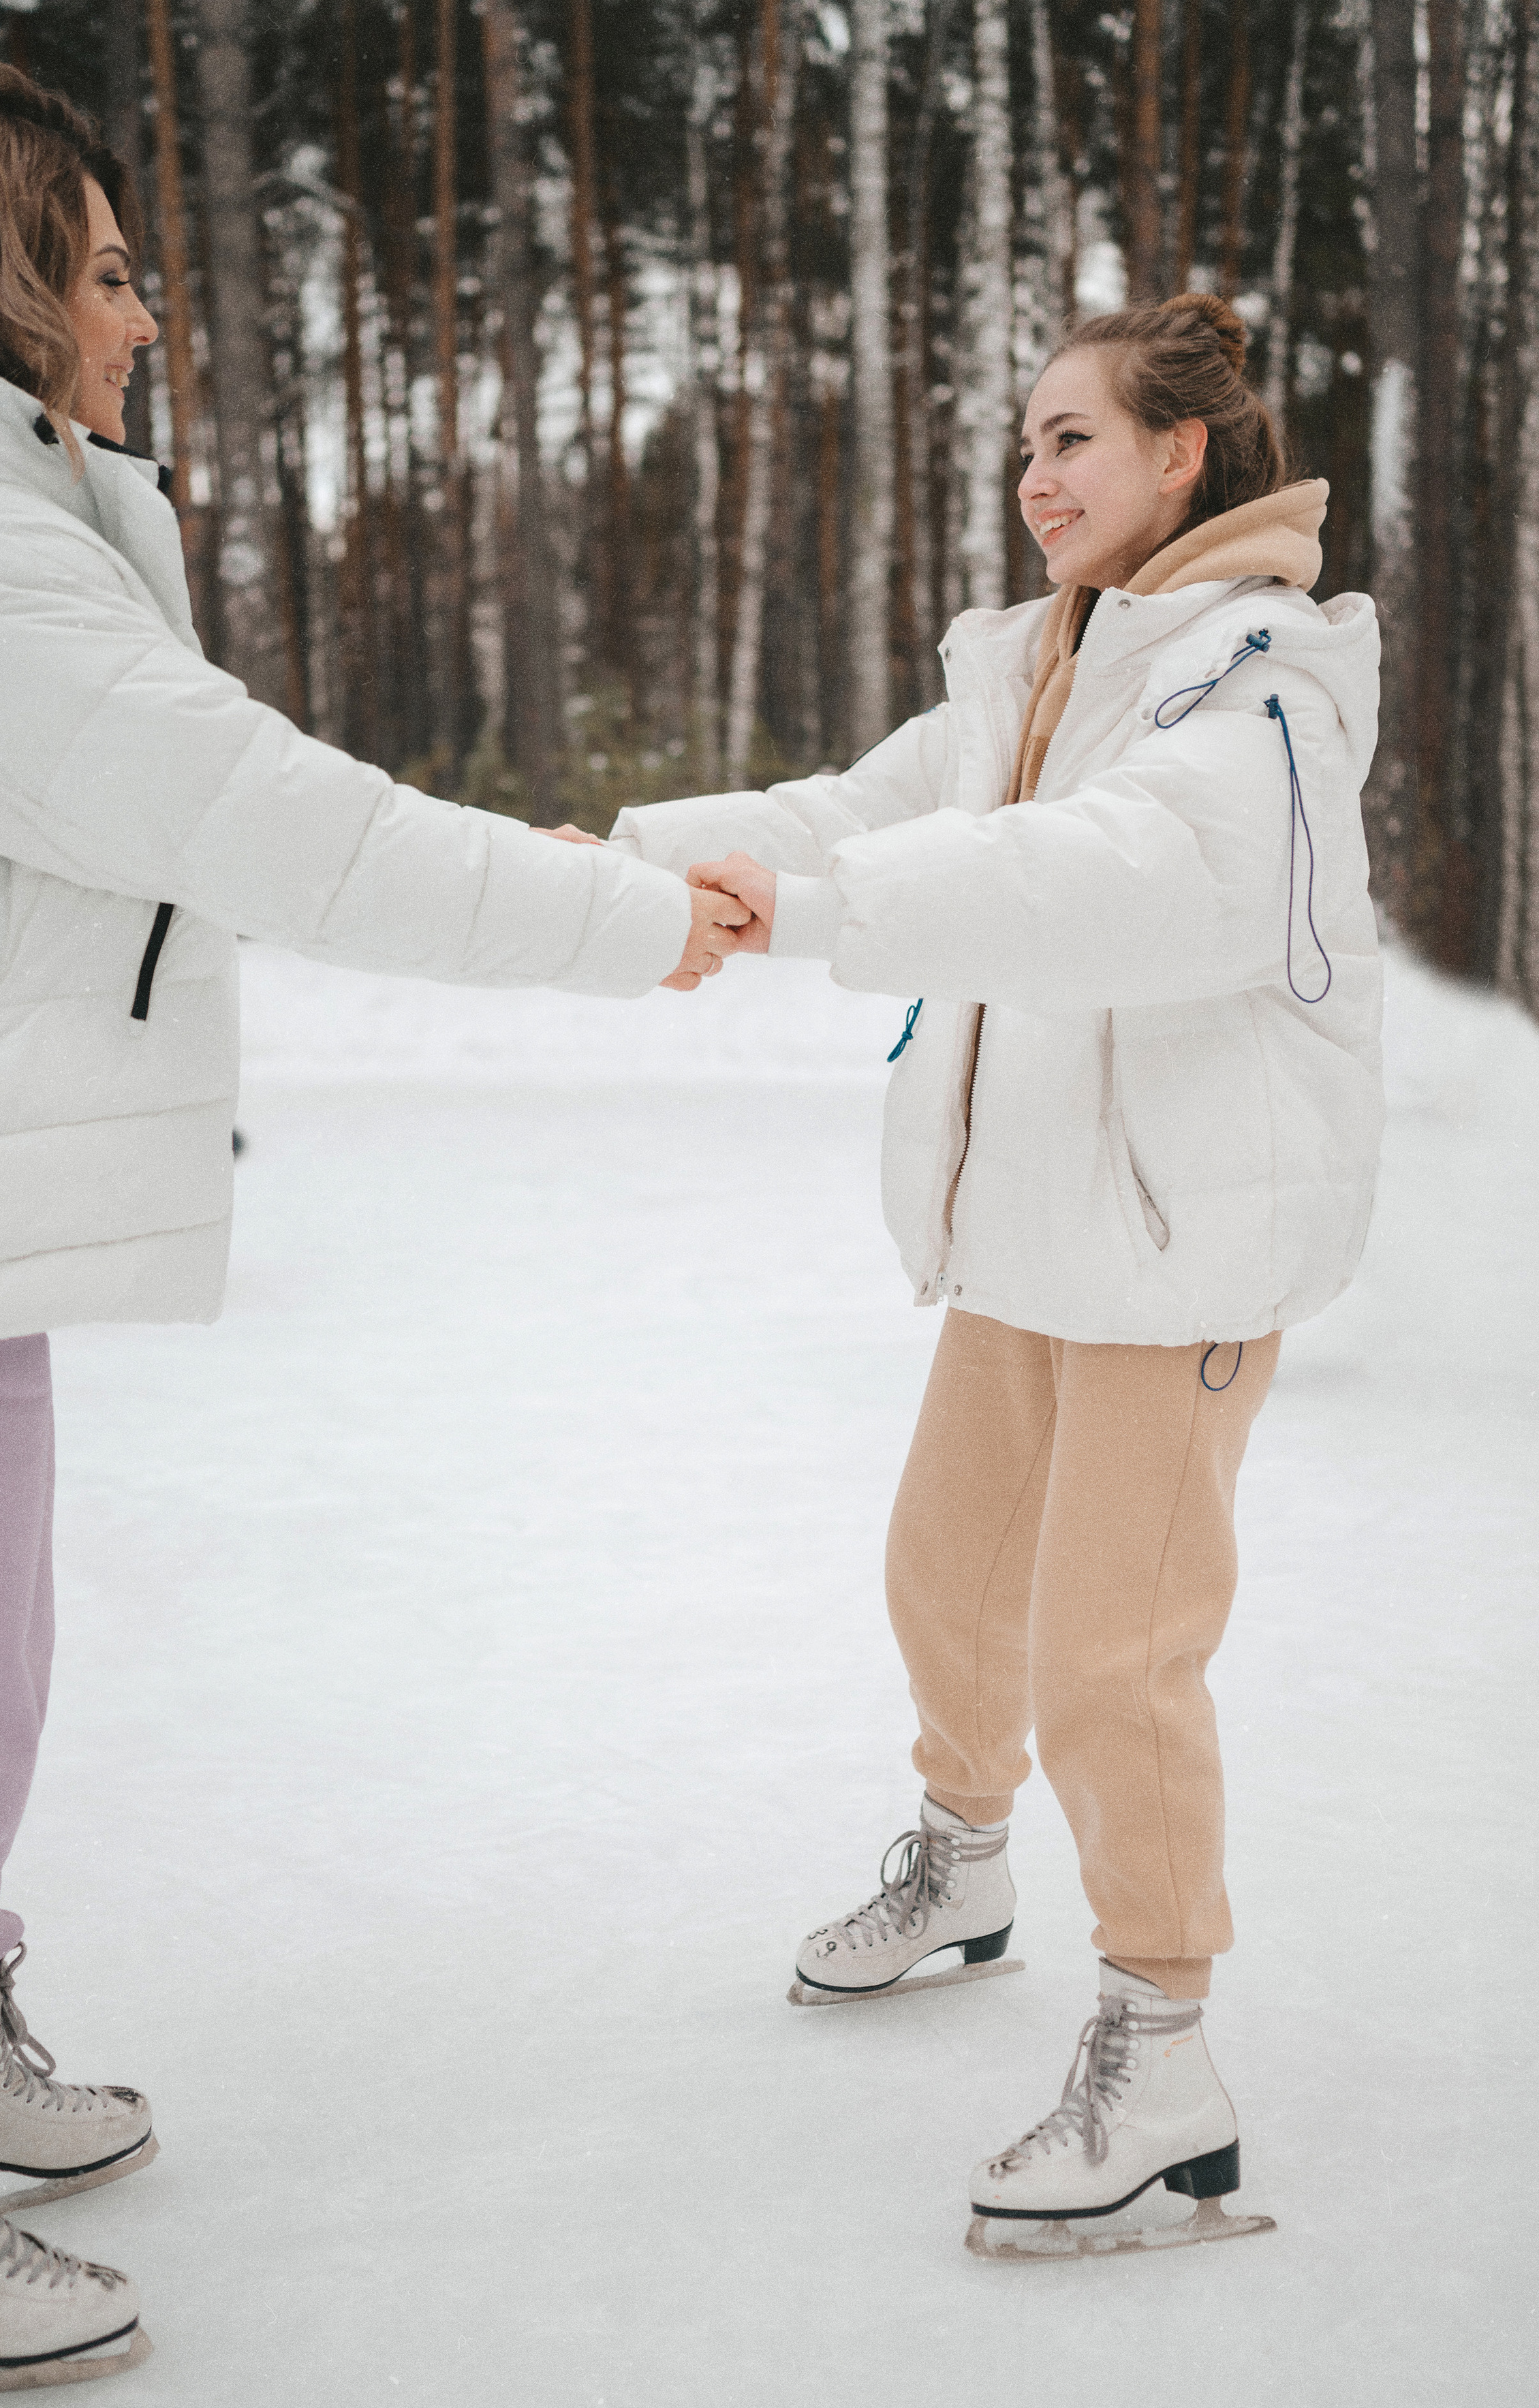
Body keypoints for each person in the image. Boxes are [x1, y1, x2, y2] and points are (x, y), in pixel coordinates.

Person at [0, 60, 749, 2405]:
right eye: (111, 271)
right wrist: (625, 914)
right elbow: (276, 821)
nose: (142, 322)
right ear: (9, 274)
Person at [598, 293, 1382, 2255]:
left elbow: (1129, 884)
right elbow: (863, 811)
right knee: (947, 1578)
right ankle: (962, 1865)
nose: (1033, 478)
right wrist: (626, 862)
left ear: (1183, 455)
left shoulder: (1256, 677)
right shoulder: (1038, 661)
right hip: (1038, 1210)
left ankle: (1165, 2036)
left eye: (1072, 440)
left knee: (1112, 1655)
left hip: (1180, 1230)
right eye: (1022, 447)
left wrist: (819, 913)